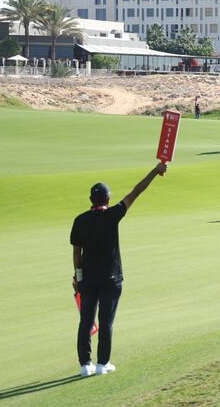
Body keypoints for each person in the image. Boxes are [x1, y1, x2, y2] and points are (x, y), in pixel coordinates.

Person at [70, 161, 168, 377]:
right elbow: (136, 191)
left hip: (88, 279)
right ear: (108, 199)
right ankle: (102, 364)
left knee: (86, 321)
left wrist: (78, 276)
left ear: (91, 200)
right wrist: (155, 170)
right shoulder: (113, 215)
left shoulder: (80, 220)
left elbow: (77, 254)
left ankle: (85, 364)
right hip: (111, 279)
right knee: (106, 322)